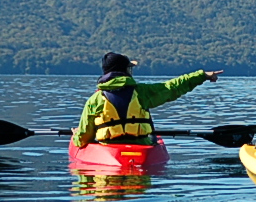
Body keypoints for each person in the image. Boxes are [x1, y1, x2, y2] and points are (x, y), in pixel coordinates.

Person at [73, 52, 223, 147]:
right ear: (125, 71)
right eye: (129, 68)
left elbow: (83, 137)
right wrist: (202, 75)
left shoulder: (94, 100)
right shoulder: (141, 92)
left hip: (108, 150)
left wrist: (76, 136)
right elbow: (173, 87)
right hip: (142, 148)